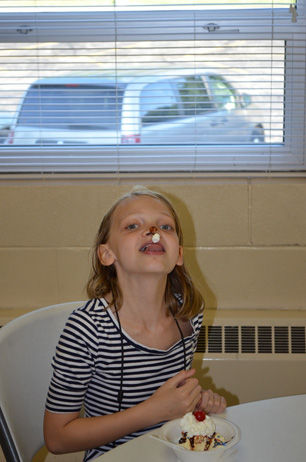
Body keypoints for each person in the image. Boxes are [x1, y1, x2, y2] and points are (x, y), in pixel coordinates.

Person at [44, 187, 226, 461]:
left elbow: (171, 403)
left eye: (165, 225)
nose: (153, 230)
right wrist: (151, 411)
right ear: (107, 255)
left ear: (178, 254)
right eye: (132, 225)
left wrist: (194, 403)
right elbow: (57, 438)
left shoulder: (189, 314)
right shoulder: (86, 330)